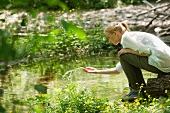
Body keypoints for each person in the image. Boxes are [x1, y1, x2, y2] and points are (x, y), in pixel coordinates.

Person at [83, 22, 170, 101]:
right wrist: (96, 72)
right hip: (165, 64)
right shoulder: (130, 37)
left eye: (109, 37)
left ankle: (137, 91)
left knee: (123, 55)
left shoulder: (126, 38)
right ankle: (140, 90)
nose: (109, 40)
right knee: (124, 55)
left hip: (163, 63)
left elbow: (146, 52)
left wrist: (129, 51)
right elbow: (118, 70)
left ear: (115, 33)